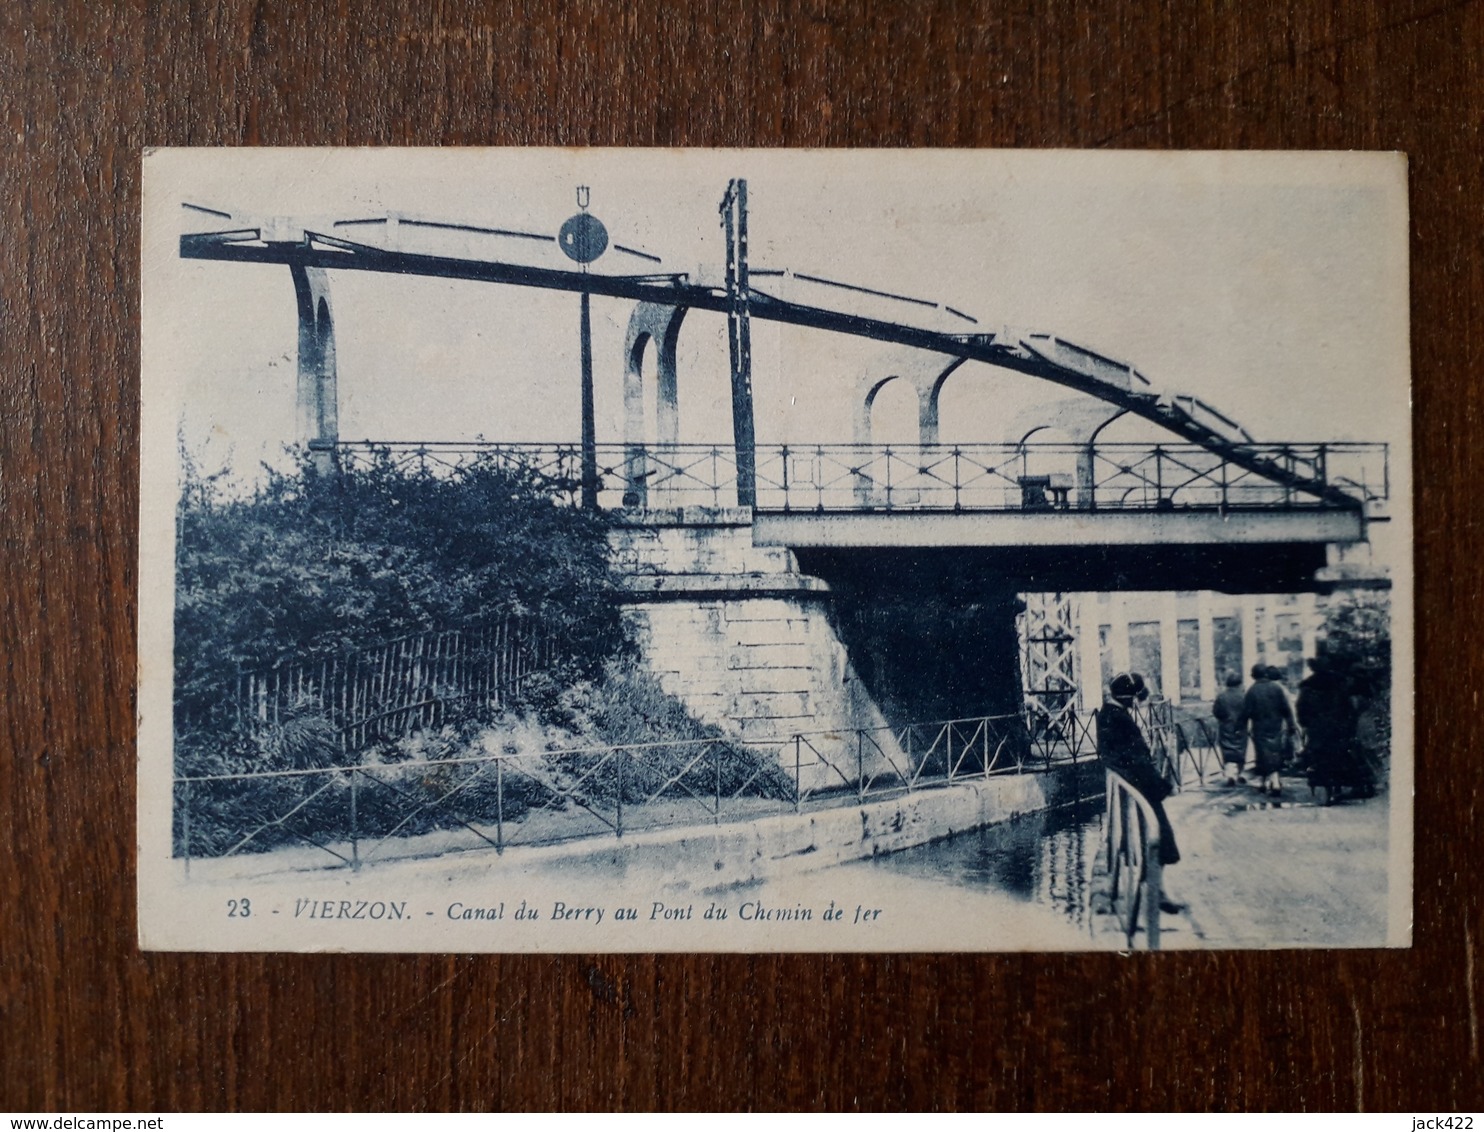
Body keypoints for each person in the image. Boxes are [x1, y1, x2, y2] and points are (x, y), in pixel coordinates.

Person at [1095, 673, 1182, 891]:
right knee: (1159, 835)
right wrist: (1162, 786)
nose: (1138, 703)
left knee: (1142, 839)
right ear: (1130, 698)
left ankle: (1151, 889)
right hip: (1138, 786)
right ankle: (1157, 893)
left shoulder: (1106, 713)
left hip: (1125, 786)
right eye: (1136, 698)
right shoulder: (1121, 719)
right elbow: (1139, 760)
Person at [1297, 654, 1372, 802]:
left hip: (1317, 727)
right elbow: (1348, 706)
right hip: (1337, 726)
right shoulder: (1340, 682)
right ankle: (1339, 785)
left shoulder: (1308, 685)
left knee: (1319, 756)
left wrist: (1305, 723)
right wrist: (1348, 722)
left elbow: (1302, 708)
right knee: (1339, 755)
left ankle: (1326, 786)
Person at [1244, 663, 1295, 796]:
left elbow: (1246, 712)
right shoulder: (1276, 688)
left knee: (1261, 754)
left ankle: (1268, 782)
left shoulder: (1252, 690)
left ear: (1254, 675)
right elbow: (1286, 709)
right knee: (1274, 753)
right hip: (1276, 726)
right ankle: (1273, 781)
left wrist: (1239, 727)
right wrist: (1291, 725)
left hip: (1259, 727)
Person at [1210, 671, 1248, 786]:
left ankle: (1230, 774)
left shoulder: (1222, 696)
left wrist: (1224, 719)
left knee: (1227, 749)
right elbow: (1249, 711)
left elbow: (1216, 711)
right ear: (1239, 683)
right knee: (1241, 749)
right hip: (1241, 726)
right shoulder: (1243, 696)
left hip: (1226, 725)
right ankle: (1240, 773)